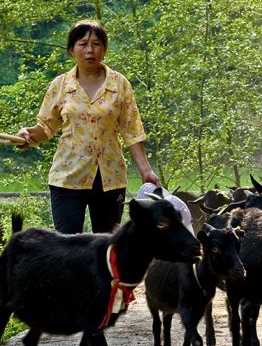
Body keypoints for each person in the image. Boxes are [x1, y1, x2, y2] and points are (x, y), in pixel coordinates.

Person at [16, 19, 160, 234]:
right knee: (66, 245)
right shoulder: (60, 86)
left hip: (109, 179)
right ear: (71, 50)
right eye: (83, 44)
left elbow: (132, 131)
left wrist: (146, 171)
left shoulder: (119, 84)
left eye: (96, 44)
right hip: (67, 177)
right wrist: (28, 134)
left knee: (107, 245)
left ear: (104, 49)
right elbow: (46, 128)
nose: (89, 50)